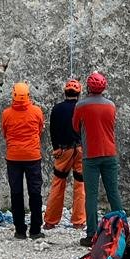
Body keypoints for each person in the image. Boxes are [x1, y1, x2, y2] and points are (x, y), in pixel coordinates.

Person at [72, 71, 124, 246]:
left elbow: (75, 126)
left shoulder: (81, 105)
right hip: (110, 153)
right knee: (113, 192)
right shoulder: (111, 105)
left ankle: (91, 234)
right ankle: (121, 229)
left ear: (88, 87)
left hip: (90, 155)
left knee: (91, 196)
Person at [1, 82, 45, 239]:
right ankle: (35, 230)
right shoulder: (37, 111)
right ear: (28, 96)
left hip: (13, 157)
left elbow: (5, 133)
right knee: (35, 193)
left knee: (16, 193)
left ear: (13, 95)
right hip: (33, 156)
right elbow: (40, 130)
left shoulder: (6, 113)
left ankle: (20, 230)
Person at [44, 79, 86, 231]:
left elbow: (53, 130)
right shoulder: (82, 108)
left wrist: (56, 148)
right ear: (79, 93)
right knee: (80, 185)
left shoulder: (57, 109)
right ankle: (79, 221)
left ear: (65, 92)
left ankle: (50, 221)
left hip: (63, 150)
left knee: (58, 183)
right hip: (80, 149)